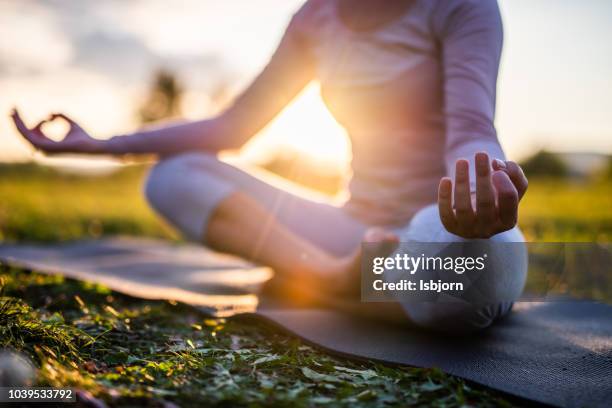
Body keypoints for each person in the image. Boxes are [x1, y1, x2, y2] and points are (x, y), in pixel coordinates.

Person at [11, 0, 528, 334]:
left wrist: (478, 191)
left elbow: (470, 130)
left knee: (471, 274)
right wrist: (97, 144)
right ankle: (331, 279)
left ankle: (322, 279)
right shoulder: (316, 19)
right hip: (350, 232)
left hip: (434, 229)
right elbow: (232, 128)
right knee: (172, 176)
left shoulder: (463, 7)